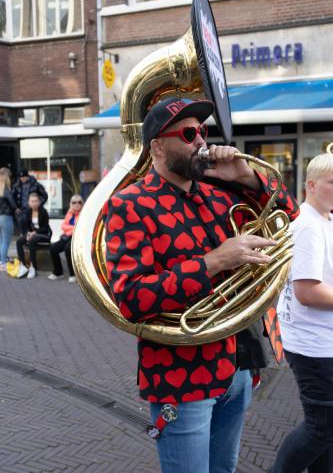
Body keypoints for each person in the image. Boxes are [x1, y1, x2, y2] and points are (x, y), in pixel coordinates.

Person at [103, 98, 299, 473]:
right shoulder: (130, 204)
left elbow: (289, 216)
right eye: (189, 134)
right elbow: (130, 297)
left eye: (203, 132)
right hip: (182, 377)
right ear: (158, 146)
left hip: (238, 366)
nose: (201, 143)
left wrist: (244, 177)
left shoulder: (219, 192)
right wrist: (215, 262)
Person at [272, 153, 333, 473]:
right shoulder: (308, 225)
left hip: (319, 340)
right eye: (332, 182)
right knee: (321, 427)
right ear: (311, 185)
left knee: (327, 430)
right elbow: (307, 292)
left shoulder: (323, 219)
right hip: (315, 345)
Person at [48, 195, 84, 283]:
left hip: (79, 238)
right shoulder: (69, 213)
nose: (77, 204)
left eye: (79, 202)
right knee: (53, 248)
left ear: (82, 204)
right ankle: (58, 272)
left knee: (68, 249)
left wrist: (69, 230)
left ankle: (73, 274)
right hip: (68, 236)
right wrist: (73, 229)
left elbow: (81, 228)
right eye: (74, 202)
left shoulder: (84, 214)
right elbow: (63, 226)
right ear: (71, 204)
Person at [16, 192, 52, 278]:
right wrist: (28, 233)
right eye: (32, 201)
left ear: (39, 202)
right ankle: (23, 265)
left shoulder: (43, 212)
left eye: (36, 201)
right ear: (29, 202)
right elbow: (28, 226)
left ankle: (33, 267)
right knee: (19, 241)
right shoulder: (28, 212)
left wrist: (34, 233)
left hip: (43, 234)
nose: (34, 203)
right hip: (33, 234)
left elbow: (45, 228)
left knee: (32, 240)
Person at [12, 168, 48, 235]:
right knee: (23, 227)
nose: (22, 179)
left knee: (34, 226)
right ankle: (25, 238)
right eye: (20, 177)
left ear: (27, 176)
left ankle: (33, 238)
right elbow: (12, 197)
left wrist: (38, 204)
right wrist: (15, 207)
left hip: (33, 210)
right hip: (21, 210)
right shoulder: (16, 186)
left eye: (24, 177)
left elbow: (44, 196)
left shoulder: (36, 184)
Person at [0, 169, 17, 270]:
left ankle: (1, 260)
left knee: (1, 241)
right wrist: (16, 209)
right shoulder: (5, 189)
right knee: (6, 242)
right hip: (6, 217)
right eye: (9, 177)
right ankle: (3, 263)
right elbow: (12, 203)